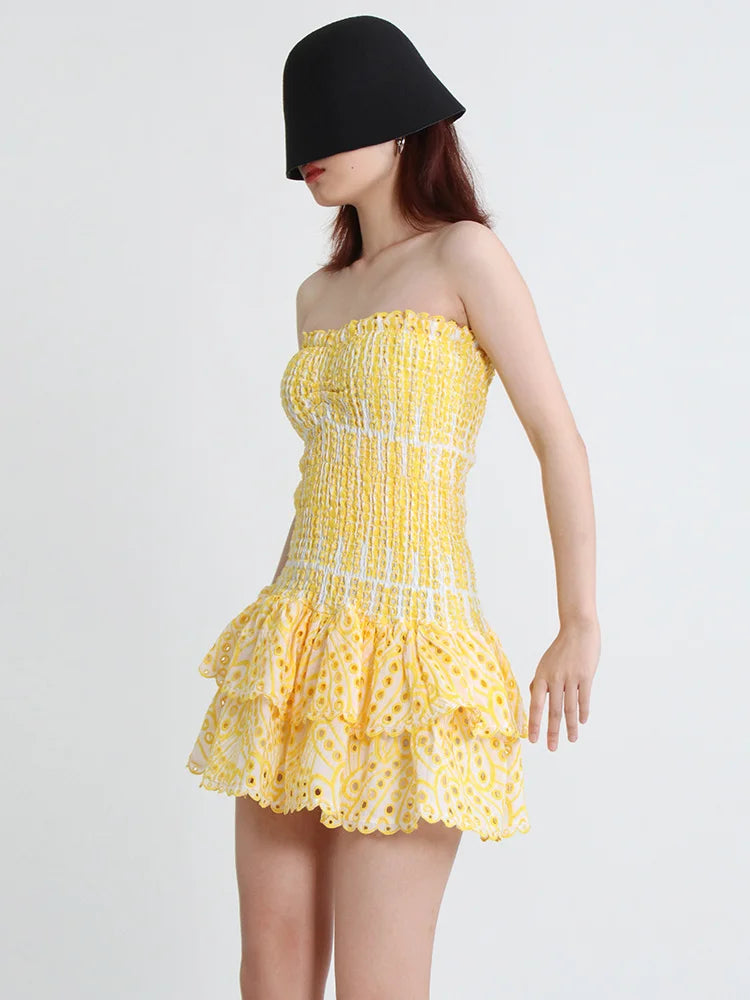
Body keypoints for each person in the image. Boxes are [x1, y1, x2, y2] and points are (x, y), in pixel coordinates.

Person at [186, 15, 600, 1000]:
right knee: (270, 974)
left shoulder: (464, 257)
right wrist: (278, 619)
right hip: (298, 642)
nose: (309, 150)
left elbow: (558, 438)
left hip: (415, 650)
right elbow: (326, 474)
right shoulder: (317, 296)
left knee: (379, 983)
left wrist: (579, 619)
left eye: (332, 117)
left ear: (404, 122)